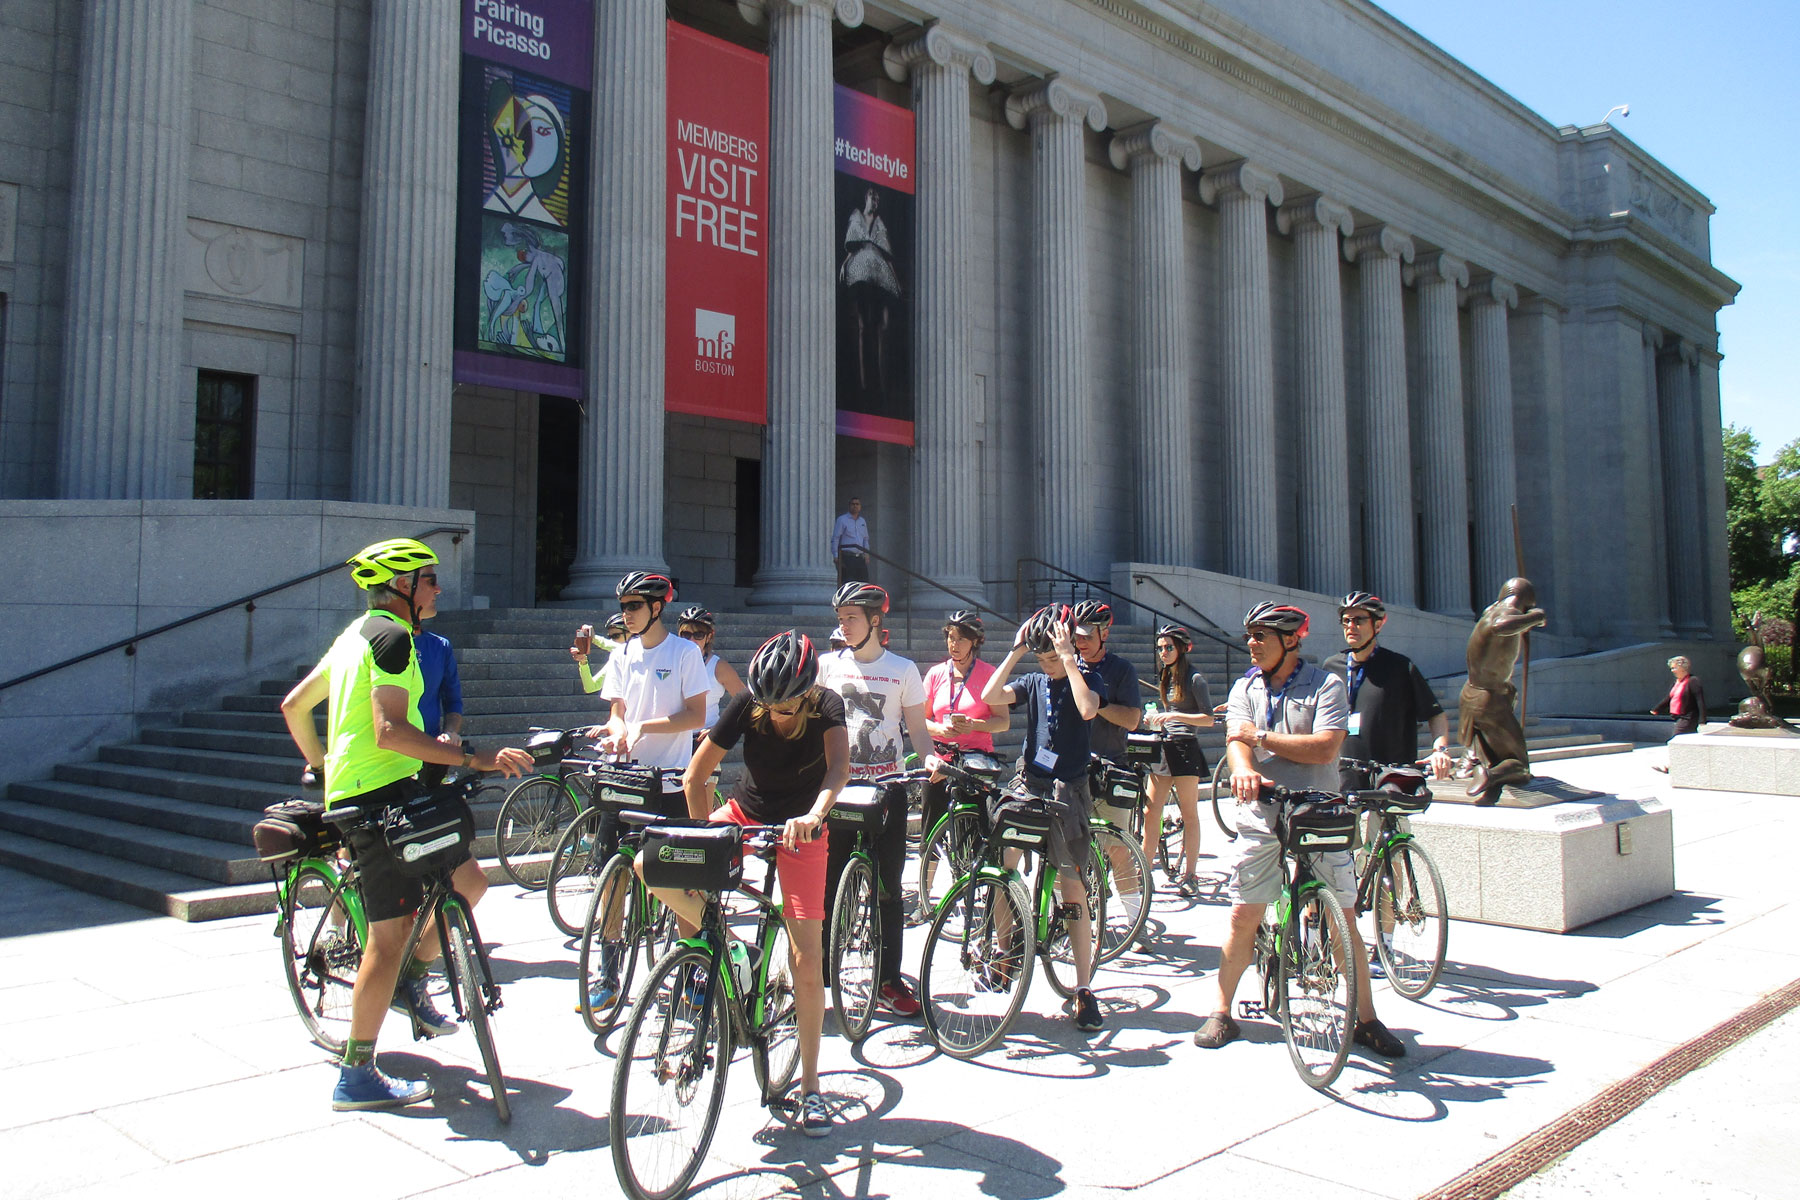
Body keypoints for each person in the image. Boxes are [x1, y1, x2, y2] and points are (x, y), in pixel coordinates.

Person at [279, 538, 532, 1111]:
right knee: (387, 938)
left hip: (385, 790)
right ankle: (356, 1072)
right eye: (429, 579)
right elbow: (391, 730)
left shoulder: (354, 636)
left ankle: (412, 983)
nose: (438, 588)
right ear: (402, 587)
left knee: (468, 882)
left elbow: (296, 705)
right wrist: (475, 756)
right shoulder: (392, 638)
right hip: (379, 798)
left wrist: (323, 768)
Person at [1192, 602, 1405, 1060]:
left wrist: (1261, 738)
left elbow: (1326, 748)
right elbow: (1235, 741)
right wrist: (1246, 767)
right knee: (1243, 913)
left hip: (1318, 809)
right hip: (1262, 810)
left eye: (1261, 636)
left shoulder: (1325, 685)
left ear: (1291, 641)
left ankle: (1366, 1019)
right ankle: (1222, 1010)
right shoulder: (1243, 686)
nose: (1251, 644)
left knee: (1342, 920)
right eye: (1249, 635)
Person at [661, 630, 848, 1137]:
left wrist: (814, 813)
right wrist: (704, 849)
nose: (777, 713)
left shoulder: (828, 705)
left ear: (807, 692)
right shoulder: (748, 703)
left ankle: (811, 1088)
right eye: (769, 705)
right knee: (652, 866)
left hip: (802, 827)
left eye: (786, 706)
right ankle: (727, 951)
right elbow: (695, 777)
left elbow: (838, 770)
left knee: (807, 959)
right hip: (746, 811)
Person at [978, 605, 1107, 1032]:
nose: (1046, 662)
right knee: (1004, 865)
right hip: (1029, 784)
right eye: (1043, 656)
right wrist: (1015, 652)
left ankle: (1084, 990)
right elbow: (990, 697)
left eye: (1051, 653)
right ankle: (1004, 951)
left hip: (1068, 790)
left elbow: (1088, 710)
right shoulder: (1032, 680)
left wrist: (1069, 658)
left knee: (1072, 884)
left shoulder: (1086, 677)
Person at [818, 581, 937, 1017]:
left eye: (851, 617)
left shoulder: (903, 669)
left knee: (889, 890)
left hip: (888, 790)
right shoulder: (826, 666)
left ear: (874, 620)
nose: (843, 625)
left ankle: (888, 980)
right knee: (830, 886)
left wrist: (930, 760)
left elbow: (919, 733)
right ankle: (821, 977)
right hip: (840, 790)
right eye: (840, 618)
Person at [585, 572, 710, 818]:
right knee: (606, 855)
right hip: (623, 775)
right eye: (623, 607)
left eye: (634, 606)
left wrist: (641, 727)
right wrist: (619, 732)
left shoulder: (685, 652)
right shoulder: (620, 654)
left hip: (667, 782)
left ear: (655, 608)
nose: (626, 614)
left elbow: (697, 717)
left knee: (656, 857)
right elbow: (616, 713)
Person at [915, 610, 1009, 920]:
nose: (953, 645)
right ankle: (923, 899)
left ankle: (973, 888)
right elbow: (920, 720)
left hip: (975, 760)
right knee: (931, 828)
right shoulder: (936, 674)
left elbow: (1003, 722)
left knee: (975, 828)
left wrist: (973, 726)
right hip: (941, 759)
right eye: (950, 638)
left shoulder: (988, 674)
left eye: (961, 640)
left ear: (976, 642)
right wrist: (939, 730)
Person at [1069, 600, 1148, 930]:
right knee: (1070, 853)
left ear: (1105, 633)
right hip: (1072, 770)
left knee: (1118, 850)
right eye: (1077, 636)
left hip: (1110, 766)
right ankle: (1069, 921)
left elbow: (1132, 719)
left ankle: (1134, 924)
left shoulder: (1121, 670)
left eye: (1087, 636)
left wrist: (1096, 704)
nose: (1081, 642)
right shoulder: (1069, 666)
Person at [1336, 592, 1453, 784]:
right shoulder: (1331, 668)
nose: (1351, 626)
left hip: (1390, 780)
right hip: (1343, 779)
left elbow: (1435, 714)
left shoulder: (1400, 667)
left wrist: (1440, 751)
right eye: (1346, 620)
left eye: (1359, 620)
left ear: (1378, 624)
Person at [1139, 625, 1214, 897]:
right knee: (1150, 812)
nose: (1163, 653)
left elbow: (1208, 719)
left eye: (1168, 647)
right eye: (1160, 648)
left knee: (1189, 812)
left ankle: (1191, 873)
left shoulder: (1195, 679)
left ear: (1182, 648)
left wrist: (1173, 717)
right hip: (1164, 745)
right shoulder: (1166, 676)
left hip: (1185, 749)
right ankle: (1145, 871)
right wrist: (1157, 717)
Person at [1458, 577, 1548, 803]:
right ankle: (1490, 774)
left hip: (1474, 694)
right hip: (1487, 701)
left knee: (1493, 748)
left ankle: (1473, 759)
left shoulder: (1491, 609)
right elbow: (1501, 627)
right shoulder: (1506, 613)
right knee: (1521, 768)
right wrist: (1534, 618)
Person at [676, 605, 746, 733]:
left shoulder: (719, 667)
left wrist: (718, 730)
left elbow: (747, 705)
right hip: (673, 740)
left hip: (703, 740)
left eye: (698, 635)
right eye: (686, 634)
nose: (691, 640)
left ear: (708, 637)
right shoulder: (670, 663)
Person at [413, 625, 463, 744]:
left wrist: (450, 732)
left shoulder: (440, 645)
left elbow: (453, 700)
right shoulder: (381, 640)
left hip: (429, 744)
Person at [571, 611, 629, 697]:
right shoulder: (617, 657)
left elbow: (620, 648)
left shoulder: (642, 649)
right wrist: (583, 662)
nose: (612, 640)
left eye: (616, 636)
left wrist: (594, 638)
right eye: (610, 637)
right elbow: (591, 687)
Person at [1651, 655, 1707, 736]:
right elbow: (1670, 697)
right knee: (1687, 738)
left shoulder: (1693, 681)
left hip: (1689, 717)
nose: (1672, 671)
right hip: (1679, 716)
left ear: (1683, 668)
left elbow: (1700, 700)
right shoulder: (1677, 682)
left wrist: (1702, 720)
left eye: (1674, 668)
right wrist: (1657, 709)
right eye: (1671, 668)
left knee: (1676, 737)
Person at [831, 498, 870, 586]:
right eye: (853, 504)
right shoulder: (842, 519)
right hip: (847, 556)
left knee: (863, 583)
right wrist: (835, 555)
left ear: (860, 507)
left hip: (860, 557)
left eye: (857, 504)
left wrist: (867, 554)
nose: (855, 506)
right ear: (849, 506)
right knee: (849, 583)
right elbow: (836, 537)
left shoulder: (862, 521)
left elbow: (865, 539)